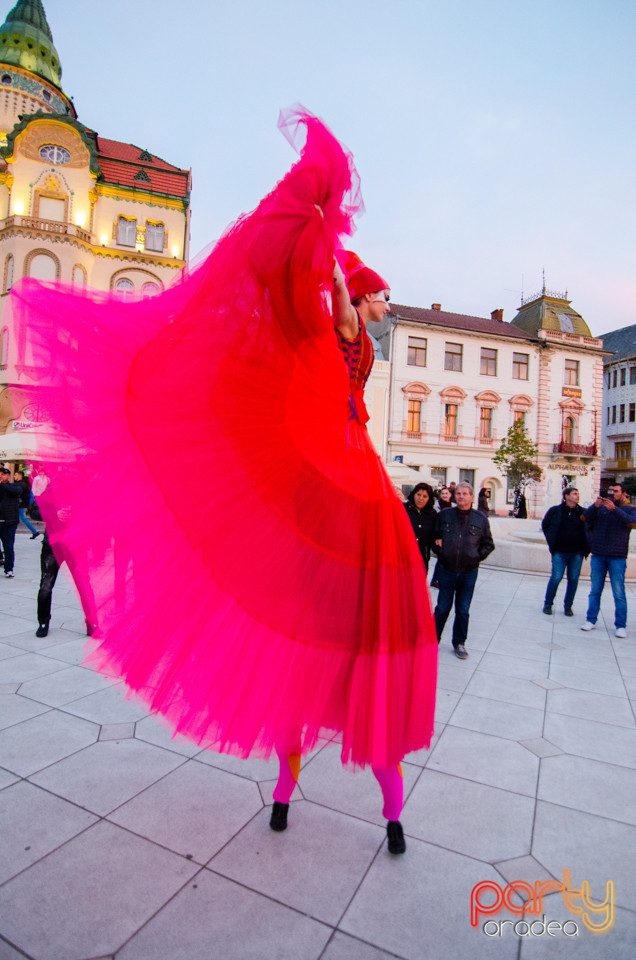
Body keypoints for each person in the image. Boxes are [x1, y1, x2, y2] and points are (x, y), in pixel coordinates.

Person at [8, 109, 438, 856]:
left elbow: (328, 313)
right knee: (327, 614)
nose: (383, 305)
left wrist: (330, 255)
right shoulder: (342, 327)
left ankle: (297, 796)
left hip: (342, 473)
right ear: (364, 297)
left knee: (328, 620)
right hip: (340, 471)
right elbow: (322, 309)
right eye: (379, 297)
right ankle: (360, 807)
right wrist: (333, 260)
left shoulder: (351, 336)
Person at [432, 481, 495, 659]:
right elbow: (435, 538)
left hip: (469, 571)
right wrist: (442, 552)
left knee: (463, 608)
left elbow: (489, 544)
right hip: (447, 569)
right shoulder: (444, 515)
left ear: (472, 497)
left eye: (465, 493)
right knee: (442, 607)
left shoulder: (480, 518)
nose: (461, 496)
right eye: (458, 493)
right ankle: (433, 640)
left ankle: (459, 642)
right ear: (454, 496)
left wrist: (475, 557)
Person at [581, 483, 636, 638]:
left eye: (616, 491)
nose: (613, 494)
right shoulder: (602, 507)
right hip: (599, 554)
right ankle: (590, 620)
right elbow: (584, 518)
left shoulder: (630, 508)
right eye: (611, 491)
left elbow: (632, 523)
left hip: (617, 557)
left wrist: (615, 509)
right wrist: (595, 506)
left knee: (618, 593)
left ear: (624, 494)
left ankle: (620, 625)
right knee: (595, 590)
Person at [541, 486, 588, 617]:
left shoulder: (582, 512)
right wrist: (552, 542)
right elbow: (545, 525)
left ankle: (568, 606)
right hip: (559, 552)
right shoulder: (555, 511)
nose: (577, 496)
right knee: (556, 578)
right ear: (566, 496)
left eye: (578, 494)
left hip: (577, 553)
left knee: (573, 580)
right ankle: (548, 604)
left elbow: (589, 528)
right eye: (574, 494)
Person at [403, 482, 436, 571]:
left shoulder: (432, 514)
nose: (420, 498)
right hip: (403, 557)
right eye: (418, 495)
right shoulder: (403, 509)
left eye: (424, 496)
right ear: (414, 494)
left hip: (421, 558)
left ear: (429, 499)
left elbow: (434, 535)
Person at [0, 466, 22, 577]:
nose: (0, 476)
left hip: (9, 522)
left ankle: (9, 569)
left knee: (8, 547)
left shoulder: (15, 487)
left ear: (8, 476)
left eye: (3, 474)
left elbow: (16, 492)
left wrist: (2, 485)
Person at [14, 470, 40, 539]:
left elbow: (22, 495)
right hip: (22, 504)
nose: (14, 476)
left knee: (22, 519)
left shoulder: (21, 485)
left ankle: (35, 531)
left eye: (16, 475)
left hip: (21, 504)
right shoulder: (22, 484)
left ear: (20, 476)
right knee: (21, 518)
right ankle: (35, 532)